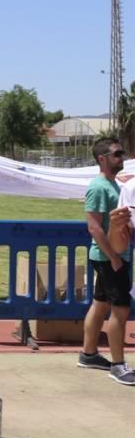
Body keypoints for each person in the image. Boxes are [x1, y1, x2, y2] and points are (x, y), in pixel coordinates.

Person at [81, 137, 135, 385]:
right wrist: (114, 257)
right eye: (116, 154)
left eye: (121, 153)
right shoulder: (98, 187)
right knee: (120, 309)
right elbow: (94, 227)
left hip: (110, 256)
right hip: (109, 257)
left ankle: (89, 354)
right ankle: (118, 365)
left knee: (100, 304)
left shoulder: (113, 185)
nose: (121, 157)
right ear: (101, 158)